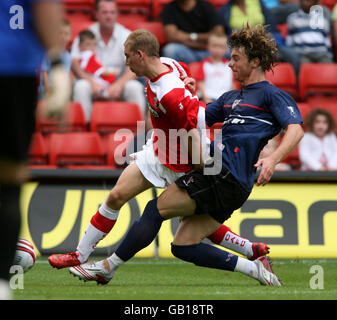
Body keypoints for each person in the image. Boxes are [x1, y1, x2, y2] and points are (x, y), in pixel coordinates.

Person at [67, 25, 304, 287]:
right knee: (183, 245)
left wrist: (272, 159)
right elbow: (197, 116)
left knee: (154, 210)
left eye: (236, 59)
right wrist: (191, 91)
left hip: (225, 173)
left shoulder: (271, 94)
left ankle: (107, 267)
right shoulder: (230, 97)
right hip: (224, 176)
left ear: (256, 61)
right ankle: (255, 267)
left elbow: (295, 130)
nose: (229, 64)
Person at [0, 0, 70, 300]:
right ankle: (3, 284)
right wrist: (57, 65)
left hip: (14, 65)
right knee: (8, 181)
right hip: (13, 70)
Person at [70, 0, 146, 122]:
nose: (109, 16)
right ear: (96, 14)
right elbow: (74, 63)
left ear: (117, 14)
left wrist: (118, 85)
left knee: (134, 87)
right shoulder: (86, 34)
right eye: (104, 12)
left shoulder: (126, 35)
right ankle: (85, 129)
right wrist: (92, 83)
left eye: (112, 12)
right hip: (91, 81)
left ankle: (140, 132)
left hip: (118, 81)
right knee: (81, 86)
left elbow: (136, 66)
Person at [218, 0, 301, 76]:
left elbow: (271, 23)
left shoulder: (256, 2)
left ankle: (297, 87)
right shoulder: (225, 10)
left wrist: (263, 38)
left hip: (262, 41)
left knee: (292, 56)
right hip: (240, 46)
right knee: (229, 56)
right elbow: (224, 34)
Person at [160, 0, 224, 65]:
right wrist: (203, 42)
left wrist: (190, 36)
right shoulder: (169, 9)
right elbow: (172, 37)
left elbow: (218, 34)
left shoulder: (206, 6)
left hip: (209, 50)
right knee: (170, 49)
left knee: (228, 49)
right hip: (187, 51)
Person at [285, 0, 334, 65]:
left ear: (315, 2)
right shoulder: (292, 18)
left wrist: (329, 54)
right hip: (302, 54)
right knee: (305, 68)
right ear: (299, 2)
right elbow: (289, 40)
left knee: (329, 69)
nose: (306, 2)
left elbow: (326, 40)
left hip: (322, 54)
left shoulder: (322, 19)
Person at [194, 33, 235, 103]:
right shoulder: (204, 64)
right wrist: (205, 98)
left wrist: (229, 99)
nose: (217, 49)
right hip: (208, 98)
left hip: (224, 99)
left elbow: (233, 84)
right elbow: (200, 83)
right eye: (214, 46)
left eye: (221, 47)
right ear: (208, 46)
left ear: (226, 49)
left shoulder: (229, 65)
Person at [77, 29, 118, 98]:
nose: (92, 48)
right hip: (95, 82)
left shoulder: (83, 56)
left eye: (94, 45)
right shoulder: (88, 55)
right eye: (88, 44)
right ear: (80, 46)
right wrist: (114, 72)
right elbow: (101, 72)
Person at [38, 17, 72, 99]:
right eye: (60, 33)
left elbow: (66, 74)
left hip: (61, 90)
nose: (63, 37)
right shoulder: (49, 52)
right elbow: (44, 72)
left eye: (66, 34)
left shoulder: (68, 56)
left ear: (70, 36)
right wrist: (48, 90)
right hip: (46, 89)